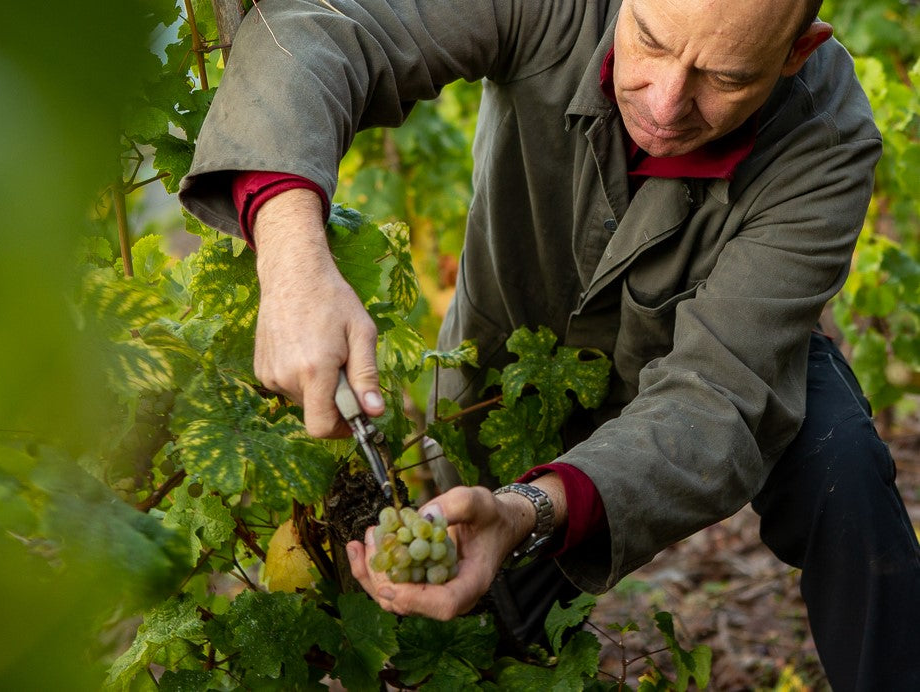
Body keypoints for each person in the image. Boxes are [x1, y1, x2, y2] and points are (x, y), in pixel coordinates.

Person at [180, 0, 920, 687]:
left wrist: (529, 509)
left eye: (725, 78)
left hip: (725, 359)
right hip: (505, 361)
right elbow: (322, 26)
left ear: (797, 54)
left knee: (840, 465)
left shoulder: (825, 141)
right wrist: (290, 259)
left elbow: (718, 396)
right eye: (650, 43)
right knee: (483, 625)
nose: (664, 105)